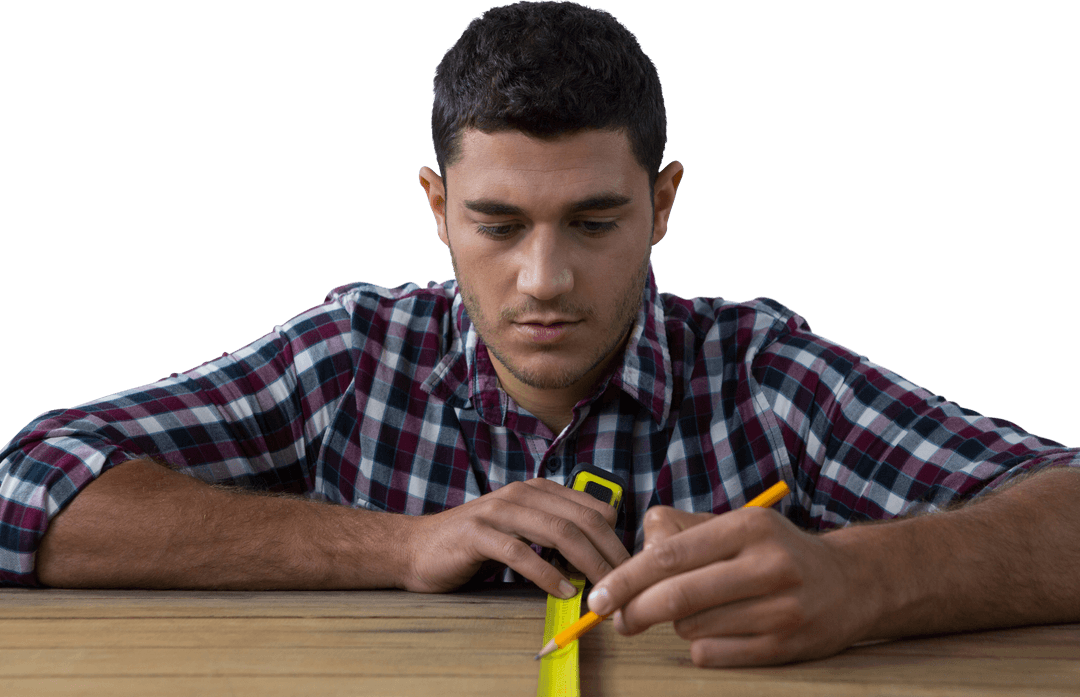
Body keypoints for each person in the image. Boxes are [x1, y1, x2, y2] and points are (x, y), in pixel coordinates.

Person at [1, 0, 1078, 668]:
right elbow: (26, 487)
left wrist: (863, 579)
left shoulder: (765, 377)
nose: (545, 278)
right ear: (435, 207)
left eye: (597, 222)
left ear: (663, 204)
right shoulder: (350, 358)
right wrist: (401, 545)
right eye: (498, 223)